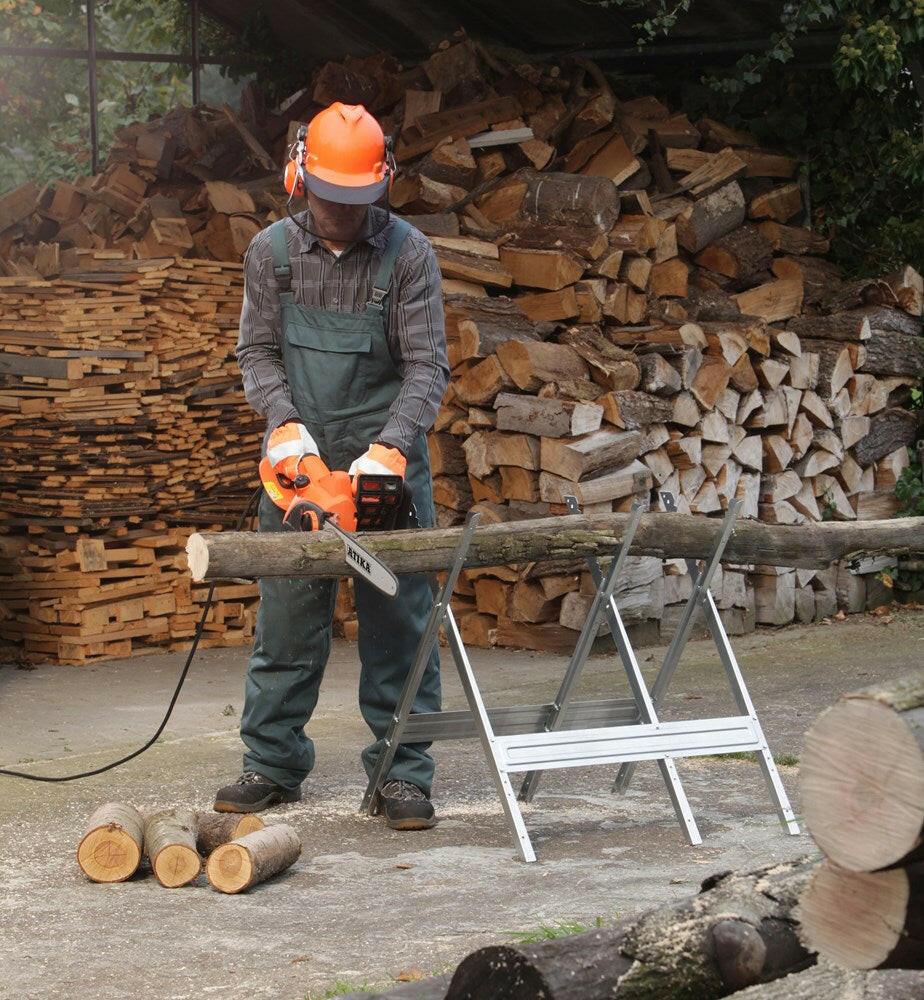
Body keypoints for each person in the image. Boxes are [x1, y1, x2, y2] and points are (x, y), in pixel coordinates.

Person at [213, 102, 449, 830]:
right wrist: (282, 425)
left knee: (400, 628)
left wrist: (393, 445)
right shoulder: (270, 254)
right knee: (286, 623)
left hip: (383, 466)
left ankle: (401, 773)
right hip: (300, 467)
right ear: (298, 177)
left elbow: (426, 366)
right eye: (328, 200)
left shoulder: (409, 255)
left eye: (355, 203)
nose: (341, 216)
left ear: (380, 185)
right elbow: (257, 352)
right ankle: (274, 762)